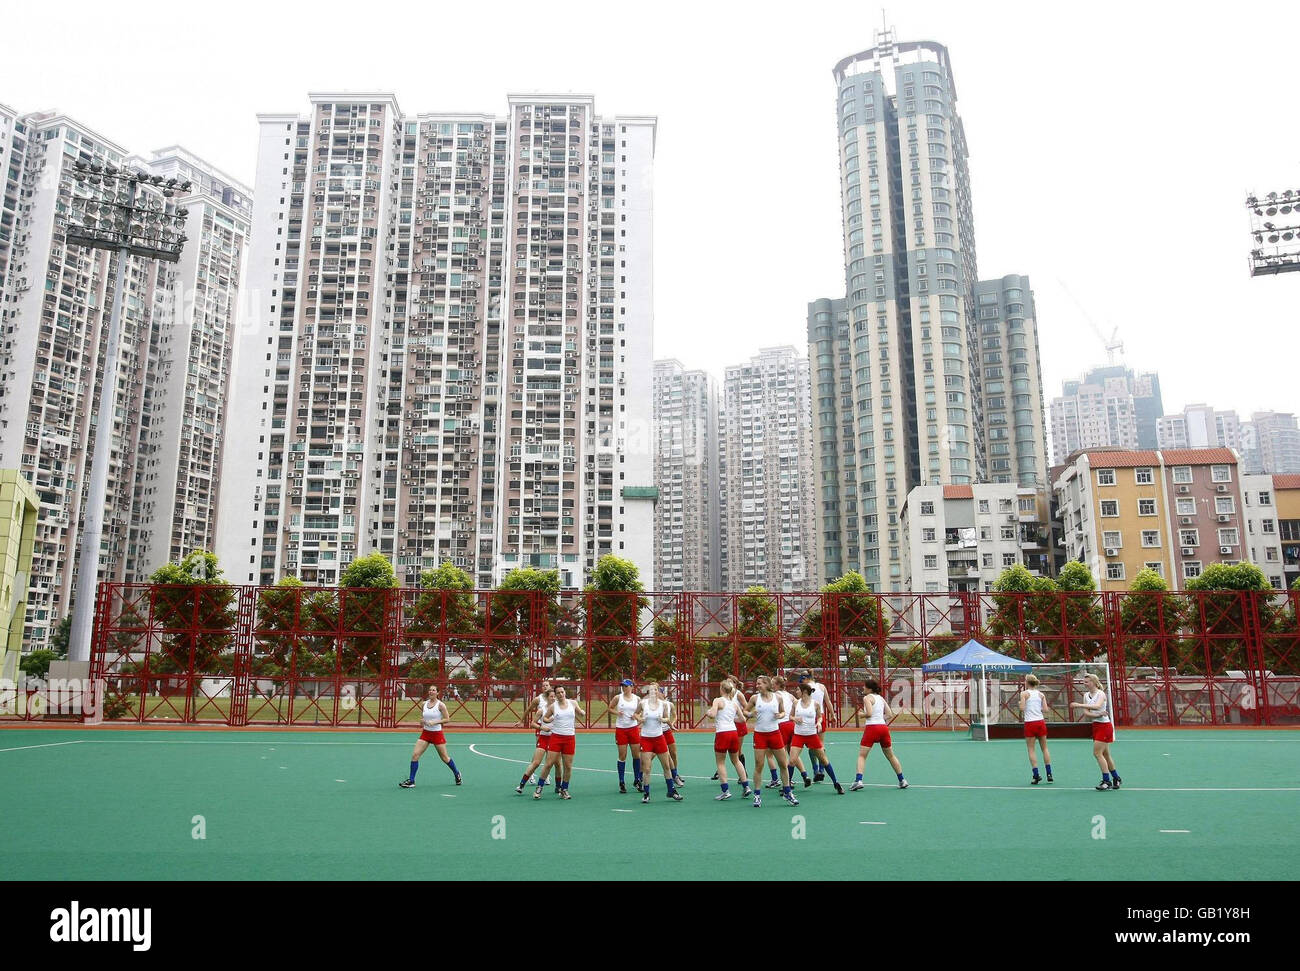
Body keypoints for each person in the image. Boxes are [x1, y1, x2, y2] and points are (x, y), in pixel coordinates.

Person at [744, 676, 798, 808]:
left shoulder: (777, 698)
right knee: (759, 765)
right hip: (760, 735)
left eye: (760, 684)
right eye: (757, 684)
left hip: (775, 733)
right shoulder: (754, 699)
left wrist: (780, 715)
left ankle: (787, 792)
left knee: (783, 764)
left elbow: (783, 711)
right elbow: (745, 711)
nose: (757, 686)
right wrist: (751, 715)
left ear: (767, 684)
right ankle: (757, 795)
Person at [849, 679, 908, 791]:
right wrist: (880, 719)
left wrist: (862, 715)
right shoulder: (881, 698)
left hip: (872, 728)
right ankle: (902, 780)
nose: (863, 688)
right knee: (891, 755)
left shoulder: (867, 698)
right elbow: (889, 714)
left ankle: (858, 780)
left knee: (862, 756)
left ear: (869, 688)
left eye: (864, 687)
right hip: (883, 728)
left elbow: (869, 713)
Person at [399, 685, 462, 788]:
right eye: (430, 690)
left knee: (445, 758)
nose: (431, 692)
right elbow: (423, 718)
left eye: (434, 690)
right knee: (415, 755)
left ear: (437, 693)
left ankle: (457, 773)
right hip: (426, 733)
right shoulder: (424, 704)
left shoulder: (441, 705)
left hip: (437, 734)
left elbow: (447, 719)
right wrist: (422, 721)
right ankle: (411, 781)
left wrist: (435, 722)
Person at [790, 681, 844, 794]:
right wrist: (795, 719)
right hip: (798, 735)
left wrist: (819, 723)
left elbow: (820, 717)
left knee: (824, 760)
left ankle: (836, 783)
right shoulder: (796, 703)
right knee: (792, 761)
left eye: (798, 690)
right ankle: (787, 786)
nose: (796, 692)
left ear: (804, 691)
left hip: (811, 735)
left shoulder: (815, 704)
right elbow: (791, 716)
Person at [1071, 672, 1121, 790]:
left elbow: (1098, 706)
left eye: (1086, 681)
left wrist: (1079, 705)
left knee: (1097, 753)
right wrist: (1097, 715)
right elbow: (1087, 713)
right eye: (1084, 681)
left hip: (1105, 726)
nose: (1084, 683)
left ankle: (1106, 781)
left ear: (1093, 682)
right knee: (1106, 755)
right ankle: (1116, 778)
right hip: (1096, 726)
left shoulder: (1101, 694)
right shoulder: (1086, 695)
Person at [707, 678, 753, 801]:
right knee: (736, 760)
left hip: (722, 733)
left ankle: (725, 790)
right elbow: (743, 720)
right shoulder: (733, 704)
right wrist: (731, 719)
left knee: (721, 762)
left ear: (722, 689)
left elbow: (712, 714)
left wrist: (708, 712)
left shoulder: (718, 700)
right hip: (733, 732)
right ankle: (746, 786)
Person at [637, 681, 683, 803]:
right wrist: (640, 719)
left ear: (658, 691)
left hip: (659, 738)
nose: (653, 692)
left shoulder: (663, 704)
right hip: (646, 738)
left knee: (666, 766)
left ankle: (671, 791)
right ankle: (646, 794)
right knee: (647, 768)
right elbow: (635, 714)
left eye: (655, 690)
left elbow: (666, 717)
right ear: (648, 692)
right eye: (651, 690)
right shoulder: (643, 703)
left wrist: (665, 720)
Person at [536, 685, 584, 800]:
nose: (561, 694)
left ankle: (564, 789)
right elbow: (545, 719)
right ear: (556, 695)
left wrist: (582, 712)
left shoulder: (572, 703)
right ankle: (539, 787)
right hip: (556, 737)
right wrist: (551, 720)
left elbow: (580, 713)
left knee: (568, 766)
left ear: (565, 693)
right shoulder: (553, 706)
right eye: (558, 693)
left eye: (562, 692)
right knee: (548, 764)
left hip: (569, 738)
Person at [516, 687, 556, 794]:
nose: (553, 698)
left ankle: (559, 786)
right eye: (551, 696)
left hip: (555, 739)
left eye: (554, 696)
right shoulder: (541, 709)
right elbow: (533, 723)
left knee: (555, 764)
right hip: (543, 737)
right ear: (547, 698)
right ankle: (521, 785)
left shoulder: (559, 709)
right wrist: (542, 728)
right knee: (536, 762)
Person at [610, 678, 644, 793]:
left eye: (626, 686)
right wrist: (617, 713)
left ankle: (637, 779)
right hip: (621, 729)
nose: (624, 688)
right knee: (622, 755)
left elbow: (640, 711)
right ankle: (621, 781)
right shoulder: (618, 697)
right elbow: (610, 708)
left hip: (633, 729)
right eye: (622, 686)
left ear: (631, 687)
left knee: (636, 755)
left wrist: (636, 717)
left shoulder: (637, 699)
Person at [712, 678, 750, 780]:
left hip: (736, 724)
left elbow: (747, 707)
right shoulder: (725, 698)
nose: (728, 683)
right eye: (727, 681)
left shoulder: (738, 694)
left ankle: (743, 772)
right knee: (729, 753)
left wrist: (743, 716)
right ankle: (720, 771)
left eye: (730, 681)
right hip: (730, 724)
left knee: (737, 752)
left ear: (735, 683)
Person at [765, 675, 797, 789]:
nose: (771, 685)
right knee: (791, 753)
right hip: (790, 724)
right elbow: (797, 703)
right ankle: (803, 775)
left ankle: (776, 779)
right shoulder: (789, 695)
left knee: (771, 754)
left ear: (777, 685)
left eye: (773, 683)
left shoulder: (775, 696)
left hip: (780, 726)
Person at [1019, 674, 1053, 784]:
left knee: (1031, 749)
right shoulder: (1041, 694)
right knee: (1045, 748)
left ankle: (1036, 774)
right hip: (1040, 722)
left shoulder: (1024, 694)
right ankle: (1049, 773)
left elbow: (1022, 708)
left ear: (1027, 682)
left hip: (1030, 723)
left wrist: (1020, 703)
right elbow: (1046, 709)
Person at [799, 671, 831, 781]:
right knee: (821, 744)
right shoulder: (822, 686)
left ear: (806, 678)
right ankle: (822, 769)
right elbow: (828, 702)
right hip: (821, 715)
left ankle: (815, 769)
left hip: (809, 716)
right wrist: (833, 714)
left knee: (811, 745)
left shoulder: (805, 688)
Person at [659, 686, 685, 790]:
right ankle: (641, 775)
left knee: (673, 753)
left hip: (667, 731)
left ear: (662, 694)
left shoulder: (669, 704)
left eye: (659, 692)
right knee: (651, 756)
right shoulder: (652, 704)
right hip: (656, 732)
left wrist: (672, 724)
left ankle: (675, 774)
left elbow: (674, 716)